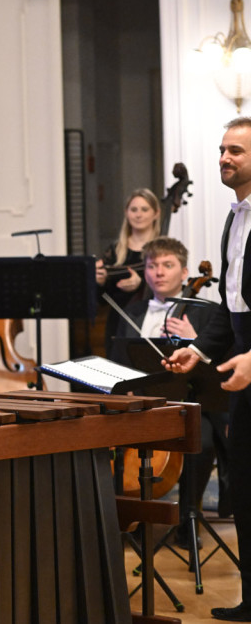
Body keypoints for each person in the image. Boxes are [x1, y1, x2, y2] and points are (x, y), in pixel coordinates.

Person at [164, 117, 251, 622]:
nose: (224, 157)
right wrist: (199, 350)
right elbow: (229, 303)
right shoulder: (233, 219)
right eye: (221, 149)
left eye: (235, 150)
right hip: (240, 372)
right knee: (245, 488)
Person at [110, 236, 227, 550]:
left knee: (200, 439)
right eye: (152, 266)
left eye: (167, 265)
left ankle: (188, 516)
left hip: (189, 403)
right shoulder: (132, 312)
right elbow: (118, 360)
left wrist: (196, 340)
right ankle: (133, 516)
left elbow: (222, 364)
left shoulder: (208, 312)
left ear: (184, 271)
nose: (159, 272)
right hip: (141, 403)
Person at [95, 188, 162, 350]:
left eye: (144, 209)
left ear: (156, 213)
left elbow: (171, 289)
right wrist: (100, 282)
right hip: (118, 322)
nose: (138, 215)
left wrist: (141, 284)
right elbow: (101, 301)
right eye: (134, 209)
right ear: (126, 213)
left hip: (153, 322)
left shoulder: (162, 249)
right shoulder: (115, 250)